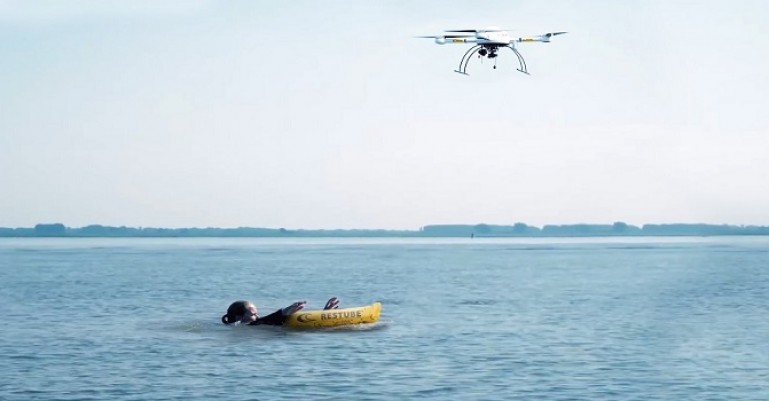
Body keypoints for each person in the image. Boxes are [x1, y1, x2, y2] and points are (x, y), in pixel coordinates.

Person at [221, 297, 340, 326]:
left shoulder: (257, 323)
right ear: (238, 317)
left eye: (257, 313)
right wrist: (284, 312)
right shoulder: (249, 326)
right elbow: (267, 320)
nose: (257, 316)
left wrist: (324, 314)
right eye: (252, 314)